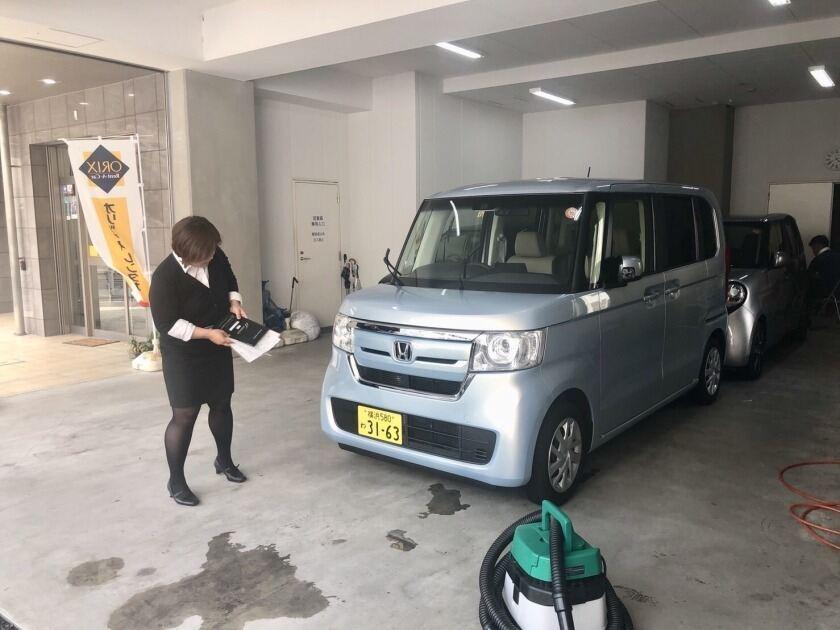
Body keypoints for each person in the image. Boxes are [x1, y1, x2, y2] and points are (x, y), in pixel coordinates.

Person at [150, 216, 247, 507]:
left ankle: (224, 460)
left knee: (222, 404)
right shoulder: (165, 277)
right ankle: (176, 481)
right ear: (187, 253)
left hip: (217, 343)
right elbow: (168, 324)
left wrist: (235, 302)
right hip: (184, 354)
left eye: (213, 251)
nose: (212, 257)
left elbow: (230, 278)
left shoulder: (214, 255)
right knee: (185, 415)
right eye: (206, 254)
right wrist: (207, 334)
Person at [807, 235, 840, 312]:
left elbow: (808, 277)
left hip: (825, 294)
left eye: (813, 248)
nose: (813, 251)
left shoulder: (817, 260)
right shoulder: (838, 256)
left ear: (818, 245)